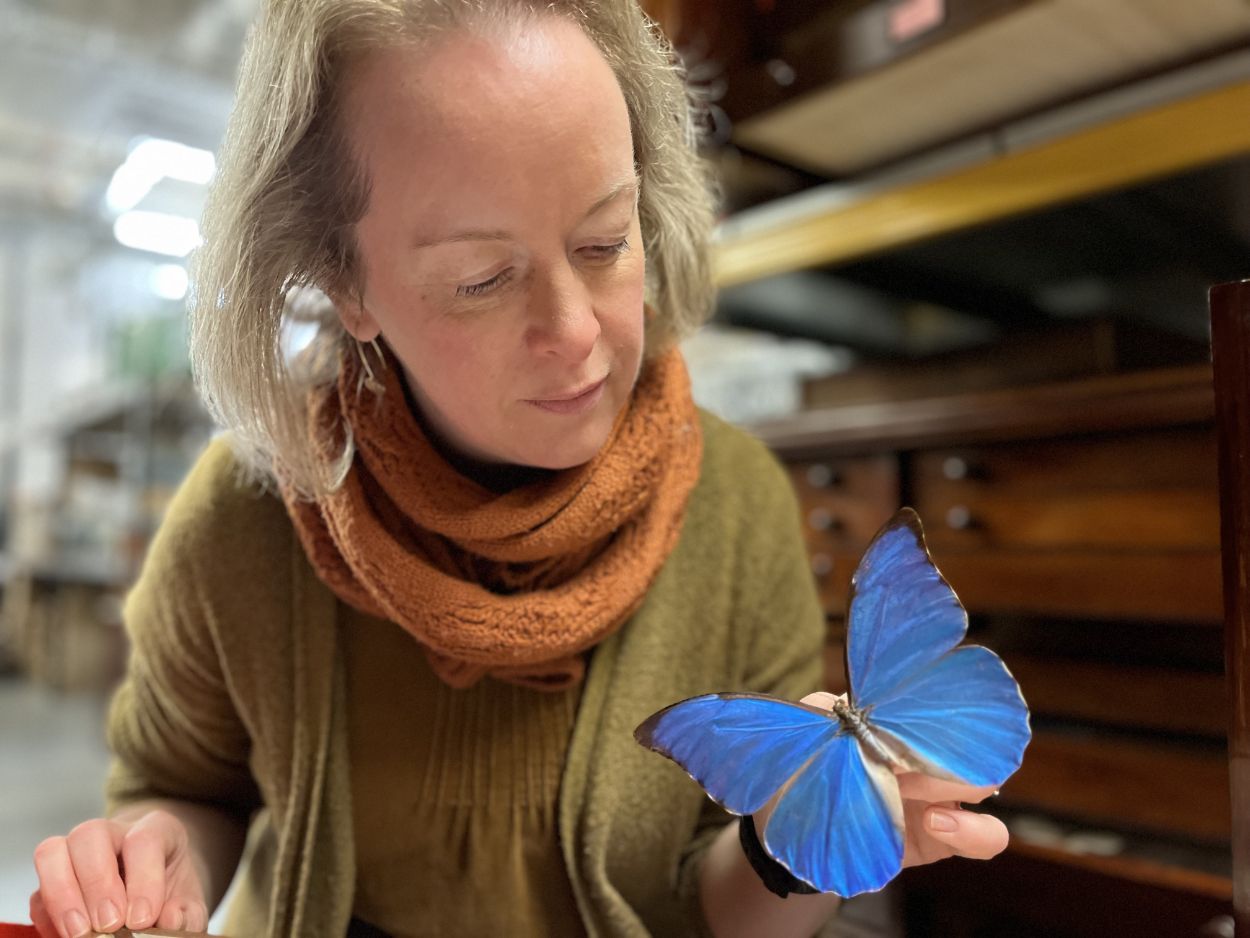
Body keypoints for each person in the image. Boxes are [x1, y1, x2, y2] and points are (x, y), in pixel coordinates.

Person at [29, 1, 1010, 936]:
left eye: (604, 240)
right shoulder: (246, 510)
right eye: (480, 279)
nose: (576, 333)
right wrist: (159, 859)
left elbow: (724, 911)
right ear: (345, 285)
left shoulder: (738, 501)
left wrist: (789, 839)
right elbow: (183, 783)